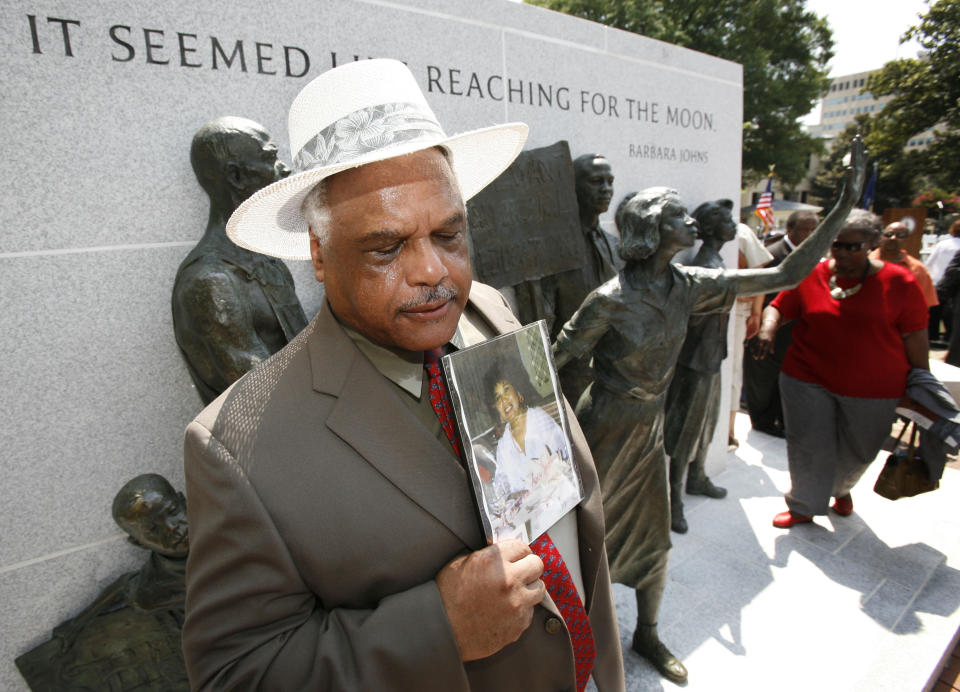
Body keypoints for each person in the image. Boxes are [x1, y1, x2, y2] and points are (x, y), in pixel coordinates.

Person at [182, 59, 624, 692]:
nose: (432, 271)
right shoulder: (235, 447)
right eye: (386, 248)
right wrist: (437, 628)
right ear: (318, 253)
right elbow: (236, 675)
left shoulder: (489, 310)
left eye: (449, 233)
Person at [553, 138, 864, 684]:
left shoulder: (689, 286)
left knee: (654, 542)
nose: (690, 221)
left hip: (648, 433)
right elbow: (556, 359)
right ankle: (575, 643)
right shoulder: (609, 298)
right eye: (677, 213)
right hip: (603, 426)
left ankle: (647, 633)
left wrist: (841, 209)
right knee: (585, 540)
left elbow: (783, 277)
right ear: (650, 227)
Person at [755, 210, 929, 528]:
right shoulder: (813, 272)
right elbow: (779, 305)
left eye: (854, 246)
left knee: (860, 451)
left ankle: (840, 488)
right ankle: (804, 504)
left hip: (875, 387)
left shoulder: (900, 282)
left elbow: (916, 335)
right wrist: (768, 328)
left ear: (872, 244)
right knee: (807, 443)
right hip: (806, 377)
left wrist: (921, 381)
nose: (843, 252)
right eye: (837, 244)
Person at [172, 117, 308, 405]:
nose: (284, 168)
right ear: (236, 176)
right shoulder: (211, 283)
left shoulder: (265, 261)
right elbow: (265, 397)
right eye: (270, 157)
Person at [664, 199, 739, 535]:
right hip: (695, 361)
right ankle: (674, 498)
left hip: (712, 356)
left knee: (707, 423)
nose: (733, 223)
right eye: (725, 219)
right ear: (709, 228)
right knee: (686, 430)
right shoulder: (706, 266)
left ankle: (698, 476)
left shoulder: (717, 260)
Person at [541, 154, 623, 404]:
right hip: (568, 377)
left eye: (610, 181)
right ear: (572, 186)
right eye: (597, 181)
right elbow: (541, 319)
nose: (606, 189)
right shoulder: (552, 249)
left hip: (612, 376)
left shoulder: (616, 246)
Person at [482, 367, 579, 542]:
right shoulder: (503, 447)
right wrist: (513, 496)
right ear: (496, 409)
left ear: (519, 394)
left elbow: (568, 466)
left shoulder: (540, 421)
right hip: (531, 524)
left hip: (563, 510)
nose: (504, 399)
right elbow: (502, 489)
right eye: (498, 398)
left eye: (506, 389)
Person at [743, 210, 818, 437]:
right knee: (762, 380)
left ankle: (783, 420)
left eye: (814, 229)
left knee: (788, 381)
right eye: (805, 229)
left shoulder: (815, 257)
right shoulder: (772, 255)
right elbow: (761, 293)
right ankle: (763, 422)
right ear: (789, 229)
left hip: (798, 334)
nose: (810, 234)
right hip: (770, 328)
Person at [729, 221, 774, 448]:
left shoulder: (742, 231)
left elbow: (760, 274)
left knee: (733, 371)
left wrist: (756, 311)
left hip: (737, 310)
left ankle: (728, 428)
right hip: (720, 308)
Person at [870, 221, 938, 308]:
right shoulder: (864, 262)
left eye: (900, 235)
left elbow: (924, 304)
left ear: (906, 240)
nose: (893, 238)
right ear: (880, 237)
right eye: (888, 234)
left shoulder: (917, 269)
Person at [924, 218, 960, 343]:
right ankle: (949, 338)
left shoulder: (942, 244)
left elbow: (929, 263)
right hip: (955, 286)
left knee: (934, 312)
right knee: (951, 314)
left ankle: (932, 337)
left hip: (938, 282)